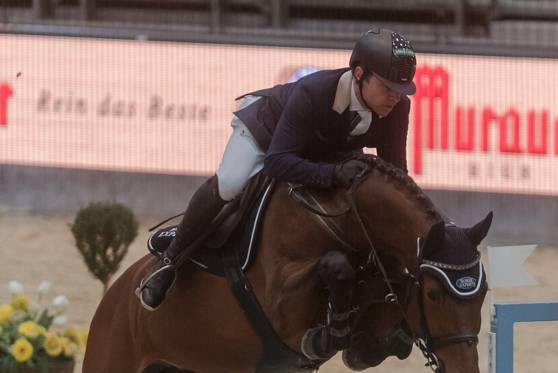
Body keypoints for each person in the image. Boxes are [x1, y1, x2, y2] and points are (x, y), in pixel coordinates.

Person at [136, 28, 417, 310]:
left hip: (324, 146)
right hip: (266, 133)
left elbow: (396, 176)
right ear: (359, 74)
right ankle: (170, 260)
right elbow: (277, 162)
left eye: (401, 90)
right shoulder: (314, 90)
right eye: (387, 87)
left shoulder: (397, 109)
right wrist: (331, 175)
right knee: (231, 183)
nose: (395, 97)